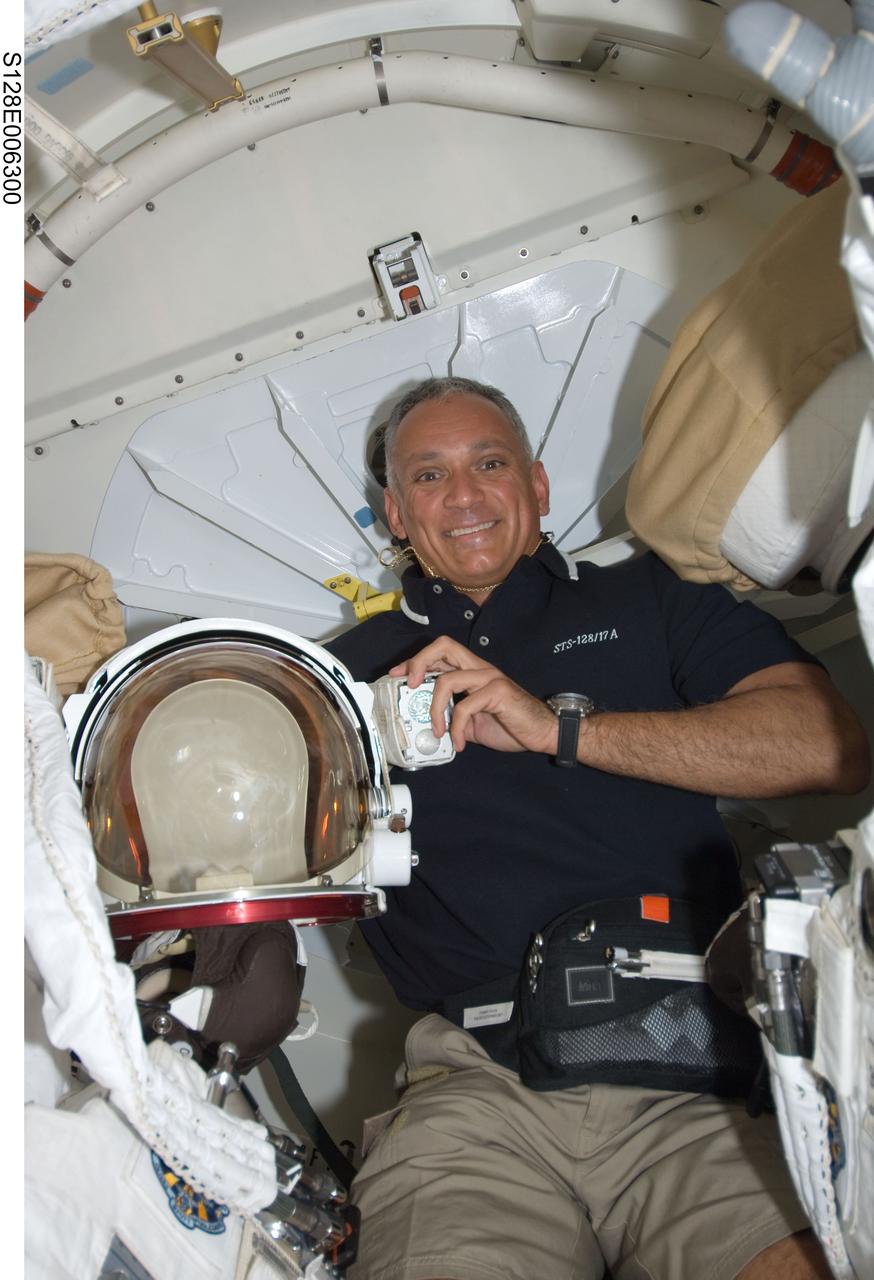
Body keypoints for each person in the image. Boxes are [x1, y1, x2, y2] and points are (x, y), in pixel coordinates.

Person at [326, 376, 870, 1280]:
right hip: (473, 1097)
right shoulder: (337, 677)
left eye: (488, 463)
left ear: (538, 487)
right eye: (428, 476)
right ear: (394, 513)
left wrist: (562, 729)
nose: (462, 495)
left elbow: (829, 747)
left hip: (691, 1075)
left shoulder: (650, 597)